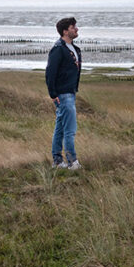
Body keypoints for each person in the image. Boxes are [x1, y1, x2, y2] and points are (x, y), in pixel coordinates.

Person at [46, 16, 82, 169]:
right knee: (70, 130)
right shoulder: (58, 49)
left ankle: (57, 161)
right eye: (74, 27)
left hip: (70, 93)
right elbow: (50, 73)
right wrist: (53, 94)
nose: (77, 29)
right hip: (63, 94)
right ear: (65, 31)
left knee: (60, 129)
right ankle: (72, 162)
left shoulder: (74, 48)